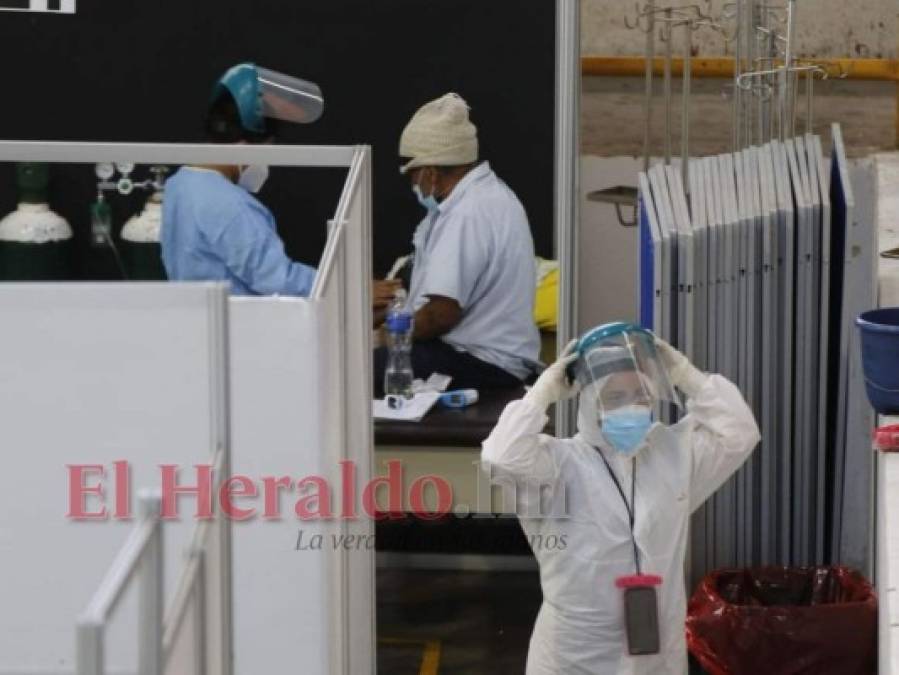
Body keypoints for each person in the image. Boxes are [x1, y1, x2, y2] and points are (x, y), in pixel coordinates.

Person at [482, 322, 760, 674]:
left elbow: (739, 431)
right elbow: (501, 456)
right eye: (614, 398)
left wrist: (686, 375)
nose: (631, 408)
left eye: (641, 396)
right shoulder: (557, 466)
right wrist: (542, 394)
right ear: (588, 404)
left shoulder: (671, 454)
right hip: (578, 655)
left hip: (656, 653)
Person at [162, 63, 401, 303]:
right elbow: (276, 280)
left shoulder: (179, 185)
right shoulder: (230, 204)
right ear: (254, 142)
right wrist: (351, 289)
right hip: (238, 333)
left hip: (198, 325)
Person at [373, 92, 540, 394]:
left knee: (356, 369)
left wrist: (386, 334)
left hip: (482, 363)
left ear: (430, 172)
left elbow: (441, 314)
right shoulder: (485, 195)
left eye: (412, 176)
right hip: (487, 355)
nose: (413, 185)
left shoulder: (467, 213)